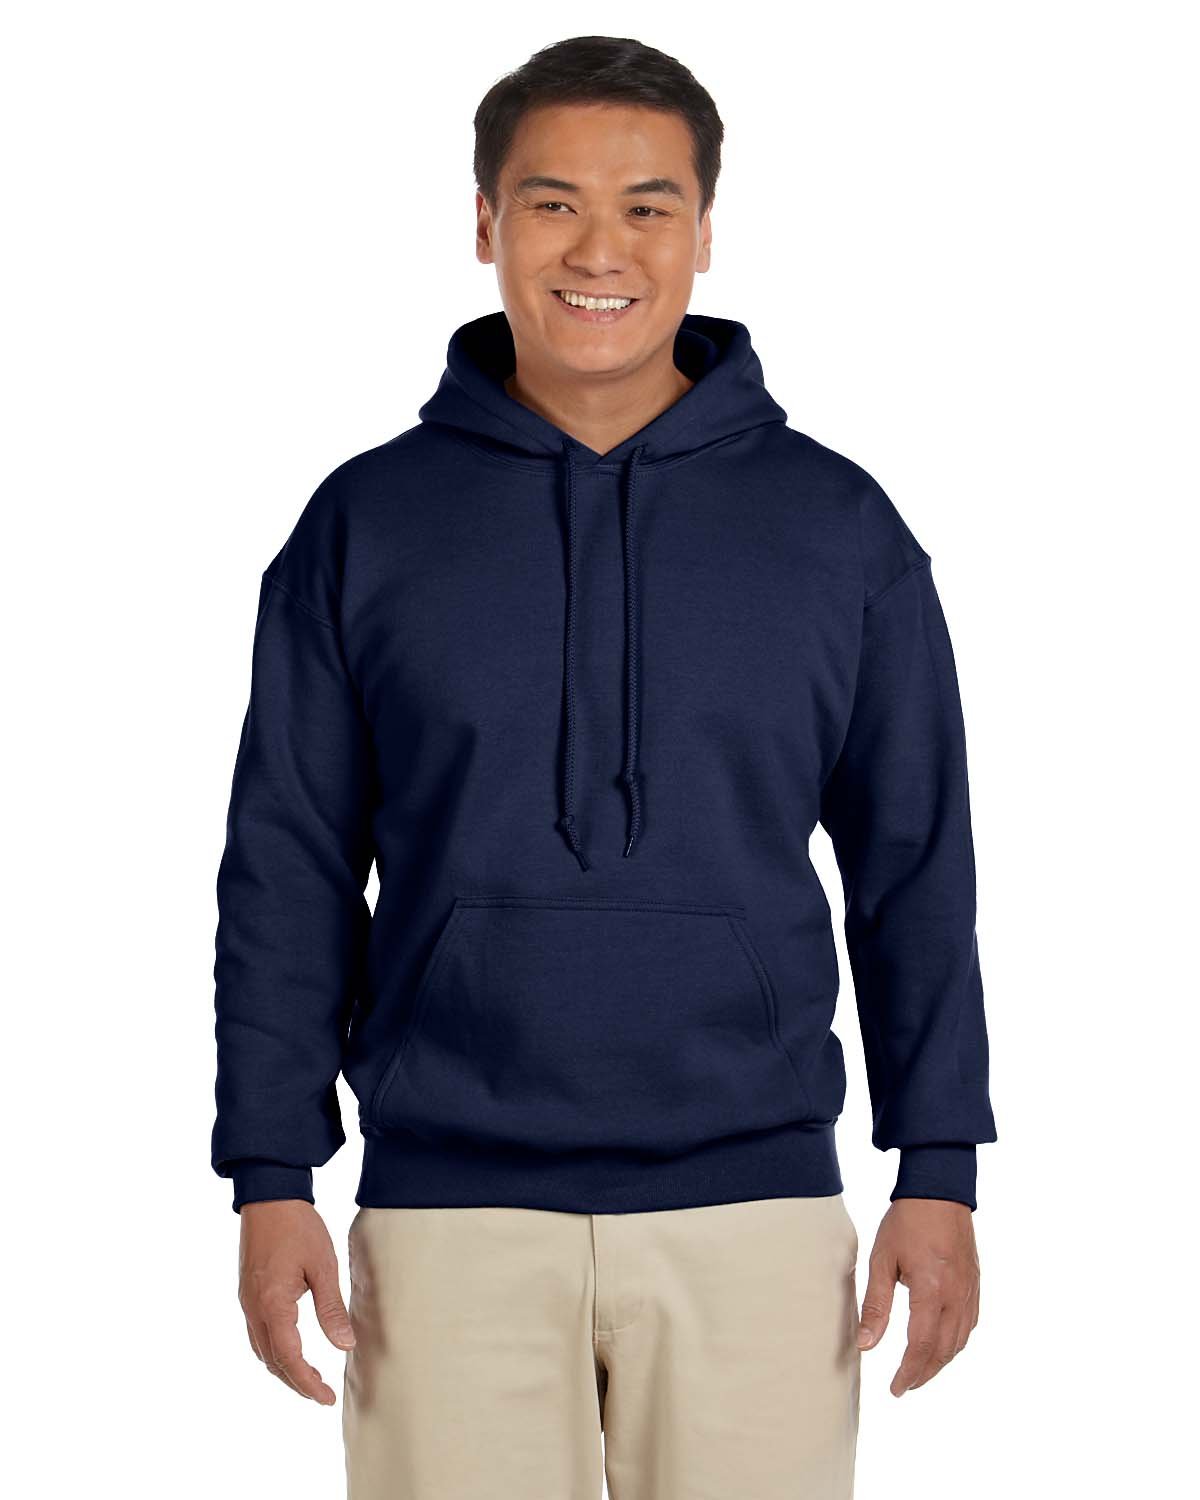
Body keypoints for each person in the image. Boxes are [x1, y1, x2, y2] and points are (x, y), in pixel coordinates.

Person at [211, 34, 997, 1499]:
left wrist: (938, 1166)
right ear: (486, 223)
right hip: (445, 1216)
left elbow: (915, 867)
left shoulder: (839, 530)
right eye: (553, 201)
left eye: (647, 206)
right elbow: (288, 869)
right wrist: (271, 1175)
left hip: (757, 1206)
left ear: (703, 231)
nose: (599, 249)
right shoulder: (364, 526)